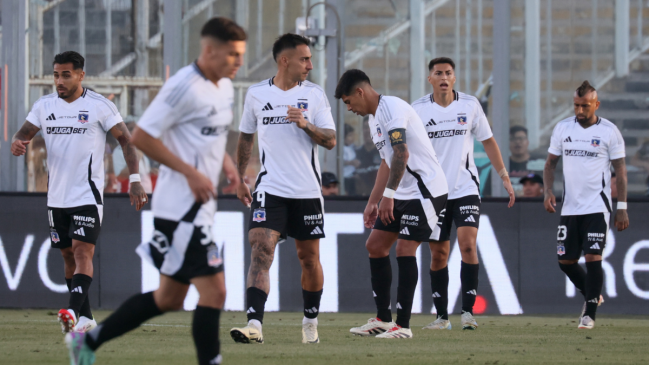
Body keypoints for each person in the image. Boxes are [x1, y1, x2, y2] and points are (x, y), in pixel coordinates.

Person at [62, 17, 247, 365]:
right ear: (209, 50)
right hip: (180, 211)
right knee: (215, 292)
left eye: (241, 55)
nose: (238, 62)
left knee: (169, 299)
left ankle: (87, 343)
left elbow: (209, 136)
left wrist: (228, 167)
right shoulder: (183, 86)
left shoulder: (224, 86)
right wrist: (191, 173)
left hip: (199, 210)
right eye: (232, 55)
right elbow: (143, 137)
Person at [11, 51, 147, 336]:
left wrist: (135, 179)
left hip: (87, 194)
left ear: (81, 75)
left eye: (66, 75)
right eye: (56, 75)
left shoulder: (99, 106)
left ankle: (71, 312)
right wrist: (17, 142)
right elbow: (23, 133)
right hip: (56, 198)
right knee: (67, 257)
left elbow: (127, 142)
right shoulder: (44, 105)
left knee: (82, 251)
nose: (59, 81)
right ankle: (85, 318)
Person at [233, 33, 336, 345]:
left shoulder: (315, 95)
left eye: (310, 59)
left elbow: (330, 139)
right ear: (284, 60)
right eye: (304, 59)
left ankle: (310, 322)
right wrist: (240, 177)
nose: (310, 64)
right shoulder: (255, 95)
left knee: (308, 259)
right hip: (270, 188)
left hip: (306, 191)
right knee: (260, 250)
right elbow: (246, 138)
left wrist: (307, 125)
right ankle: (254, 325)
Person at [336, 69, 448, 339]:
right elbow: (387, 162)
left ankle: (404, 326)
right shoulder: (374, 119)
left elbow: (402, 153)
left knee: (405, 249)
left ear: (360, 92)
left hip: (426, 191)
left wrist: (388, 196)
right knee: (375, 246)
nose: (349, 108)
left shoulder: (393, 108)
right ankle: (383, 320)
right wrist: (373, 201)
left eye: (349, 102)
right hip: (403, 192)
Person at [411, 57, 515, 331]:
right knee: (439, 255)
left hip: (466, 188)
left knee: (468, 245)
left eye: (448, 73)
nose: (443, 77)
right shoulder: (418, 110)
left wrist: (504, 175)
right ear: (430, 79)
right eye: (438, 73)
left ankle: (467, 313)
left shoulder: (469, 105)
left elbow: (488, 141)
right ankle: (442, 317)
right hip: (434, 193)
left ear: (454, 78)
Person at [544, 80, 629, 330]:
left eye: (585, 106)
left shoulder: (609, 132)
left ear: (596, 104)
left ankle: (589, 314)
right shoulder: (562, 129)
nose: (580, 112)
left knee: (593, 257)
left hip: (597, 206)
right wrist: (548, 190)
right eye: (576, 106)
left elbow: (621, 171)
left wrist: (621, 205)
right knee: (565, 261)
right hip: (570, 207)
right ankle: (592, 293)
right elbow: (550, 164)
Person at [355, 117, 382, 196]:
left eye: (371, 127)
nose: (368, 131)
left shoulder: (383, 153)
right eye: (366, 127)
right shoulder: (356, 153)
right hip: (357, 199)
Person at [343, 123, 360, 195]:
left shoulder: (352, 147)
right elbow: (341, 162)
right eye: (349, 136)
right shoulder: (342, 149)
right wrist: (351, 162)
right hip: (346, 178)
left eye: (352, 135)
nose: (352, 138)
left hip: (353, 177)